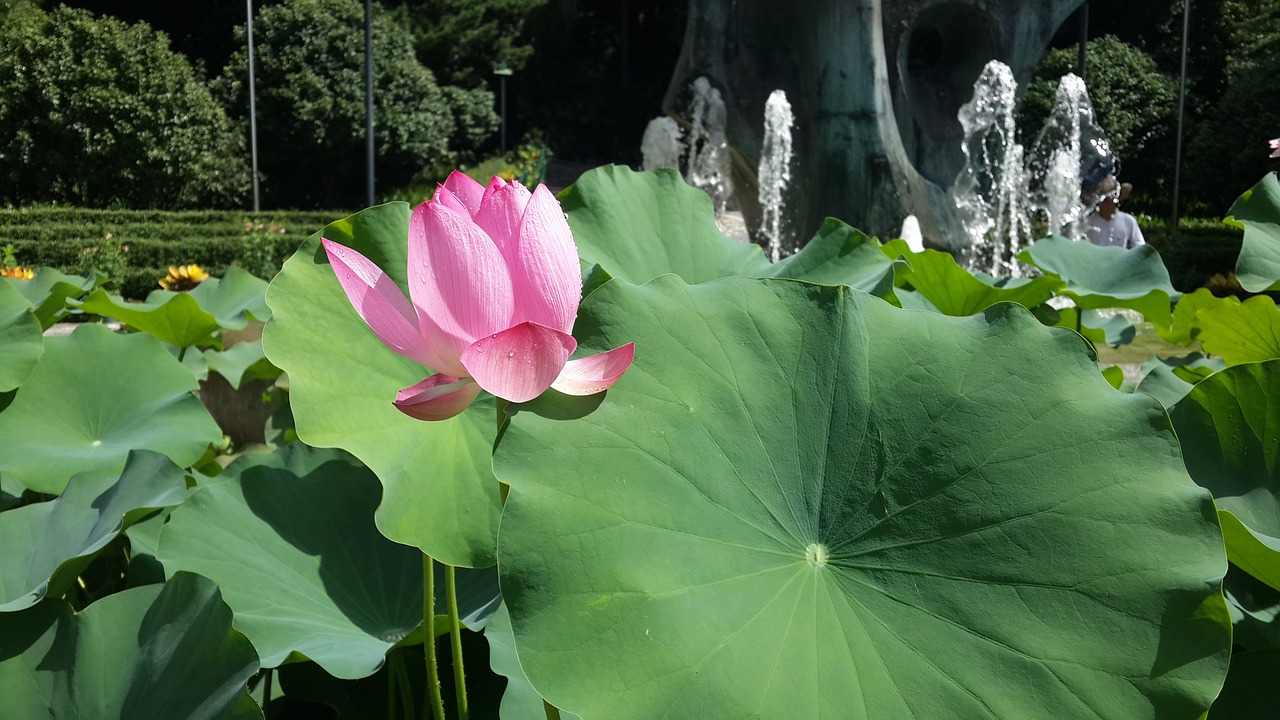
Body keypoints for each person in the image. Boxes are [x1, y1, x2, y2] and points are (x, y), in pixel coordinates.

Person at [1085, 179, 1145, 249]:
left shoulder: (1128, 221)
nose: (1108, 202)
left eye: (1111, 199)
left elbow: (1139, 248)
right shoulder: (1088, 222)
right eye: (1104, 199)